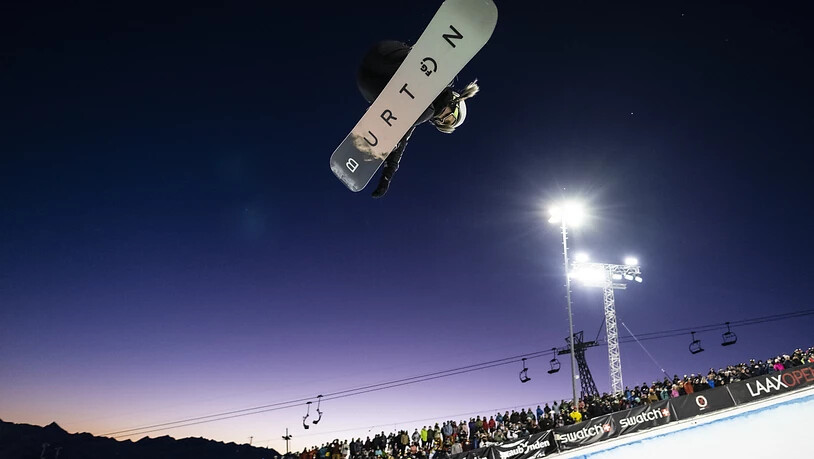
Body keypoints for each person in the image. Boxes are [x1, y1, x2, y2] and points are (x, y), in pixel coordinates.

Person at [356, 40, 480, 197]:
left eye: (442, 124)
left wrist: (387, 175)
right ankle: (413, 69)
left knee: (413, 118)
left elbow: (401, 140)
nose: (440, 120)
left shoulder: (418, 113)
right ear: (454, 103)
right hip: (387, 57)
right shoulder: (443, 82)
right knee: (425, 107)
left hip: (368, 81)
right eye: (448, 118)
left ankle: (382, 113)